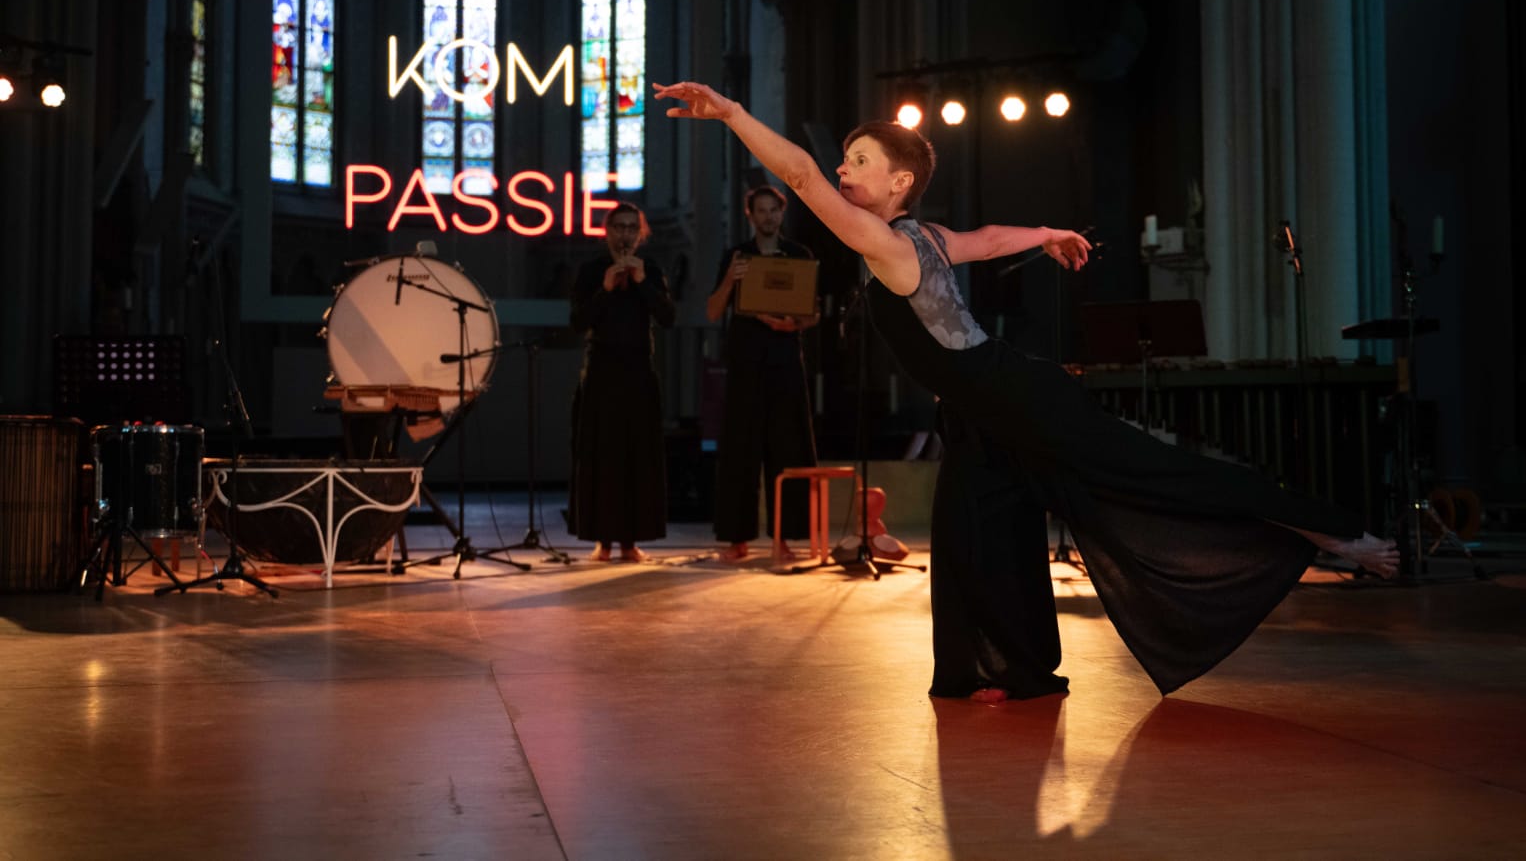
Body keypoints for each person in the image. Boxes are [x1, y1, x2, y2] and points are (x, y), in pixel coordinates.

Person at [655, 80, 1398, 703]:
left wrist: (731, 113)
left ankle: (1329, 530)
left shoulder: (887, 241)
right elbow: (985, 240)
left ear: (900, 183)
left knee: (1150, 469)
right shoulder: (926, 237)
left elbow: (800, 177)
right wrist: (1045, 233)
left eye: (859, 161)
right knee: (970, 532)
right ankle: (1010, 670)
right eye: (844, 160)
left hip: (1012, 394)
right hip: (979, 413)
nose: (842, 171)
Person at [705, 185, 820, 563]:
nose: (768, 216)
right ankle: (735, 539)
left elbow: (812, 313)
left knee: (787, 449)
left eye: (774, 210)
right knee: (739, 450)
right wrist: (730, 279)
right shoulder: (737, 256)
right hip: (745, 363)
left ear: (782, 214)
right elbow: (712, 311)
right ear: (750, 215)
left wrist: (792, 324)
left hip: (785, 363)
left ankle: (784, 539)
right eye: (762, 210)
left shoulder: (798, 255)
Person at [567, 202, 674, 562]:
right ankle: (603, 541)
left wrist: (642, 284)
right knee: (601, 458)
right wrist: (605, 289)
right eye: (619, 227)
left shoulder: (651, 269)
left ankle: (630, 542)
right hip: (601, 373)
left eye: (632, 228)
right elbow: (578, 322)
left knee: (637, 458)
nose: (625, 234)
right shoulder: (591, 271)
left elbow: (667, 317)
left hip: (639, 373)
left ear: (641, 233)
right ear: (607, 232)